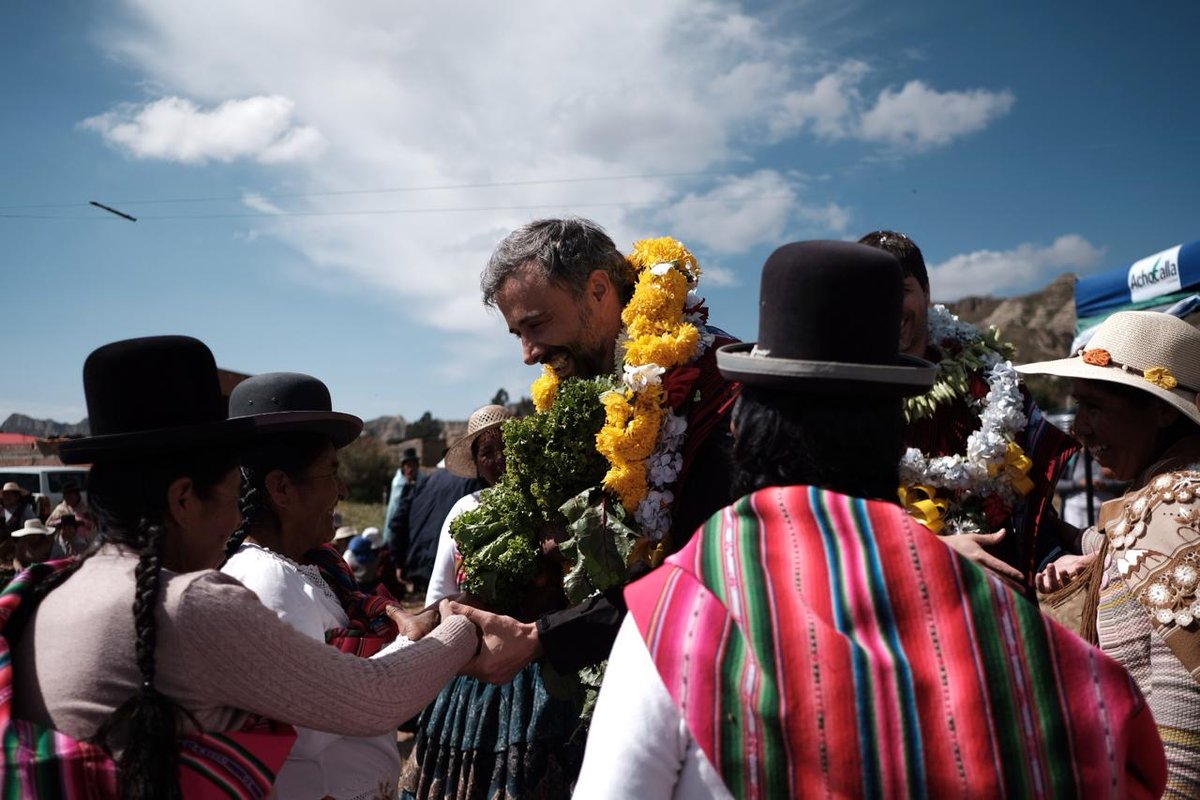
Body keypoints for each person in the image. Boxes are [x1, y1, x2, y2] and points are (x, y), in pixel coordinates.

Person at [575, 240, 1166, 799]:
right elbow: (1127, 751)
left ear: (740, 431)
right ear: (895, 438)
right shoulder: (1012, 639)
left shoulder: (680, 614)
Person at [5, 335, 522, 798]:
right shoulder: (190, 604)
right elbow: (373, 699)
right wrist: (462, 628)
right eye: (232, 494)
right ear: (184, 500)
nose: (238, 514)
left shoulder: (52, 590)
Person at [446, 217, 741, 683]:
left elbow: (706, 574)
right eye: (516, 334)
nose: (527, 354)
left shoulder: (717, 389)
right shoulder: (580, 399)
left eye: (536, 324)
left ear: (600, 289)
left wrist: (546, 637)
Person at [222, 371, 435, 799]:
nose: (342, 488)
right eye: (331, 472)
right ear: (282, 488)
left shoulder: (312, 567)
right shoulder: (270, 582)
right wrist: (430, 641)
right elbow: (321, 719)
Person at [1021, 310, 1200, 795]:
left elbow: (1184, 713)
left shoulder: (1178, 508)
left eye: (1095, 407)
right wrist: (1052, 528)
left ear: (1162, 410)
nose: (1078, 427)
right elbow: (1126, 544)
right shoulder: (1159, 502)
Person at [859, 230, 1078, 594]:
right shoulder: (840, 396)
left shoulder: (987, 382)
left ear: (927, 295)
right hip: (893, 593)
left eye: (902, 289)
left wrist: (1053, 557)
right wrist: (937, 553)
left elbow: (1028, 502)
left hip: (999, 592)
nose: (887, 304)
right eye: (873, 293)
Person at [425, 404, 512, 605]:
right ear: (477, 465)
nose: (500, 458)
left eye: (507, 445)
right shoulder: (466, 508)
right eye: (487, 453)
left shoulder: (544, 501)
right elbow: (440, 590)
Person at [390, 464, 480, 599]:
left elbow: (397, 522)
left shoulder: (425, 481)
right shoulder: (473, 483)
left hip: (420, 560)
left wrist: (399, 562)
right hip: (447, 565)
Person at [1, 481, 37, 563]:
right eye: (5, 494)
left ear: (17, 497)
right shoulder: (1, 509)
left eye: (9, 494)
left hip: (20, 547)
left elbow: (35, 527)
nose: (6, 497)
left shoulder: (25, 510)